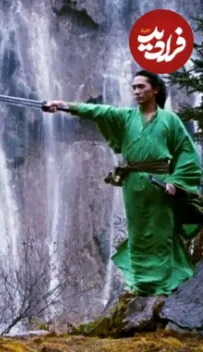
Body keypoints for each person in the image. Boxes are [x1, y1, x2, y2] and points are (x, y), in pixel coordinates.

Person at [43, 70, 202, 296]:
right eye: (134, 87)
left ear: (155, 89)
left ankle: (164, 285)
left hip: (160, 185)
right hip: (133, 185)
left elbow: (187, 154)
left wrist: (176, 181)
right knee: (137, 234)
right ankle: (140, 284)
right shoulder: (126, 117)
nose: (136, 91)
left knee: (161, 233)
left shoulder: (170, 120)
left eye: (141, 87)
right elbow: (98, 110)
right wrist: (63, 105)